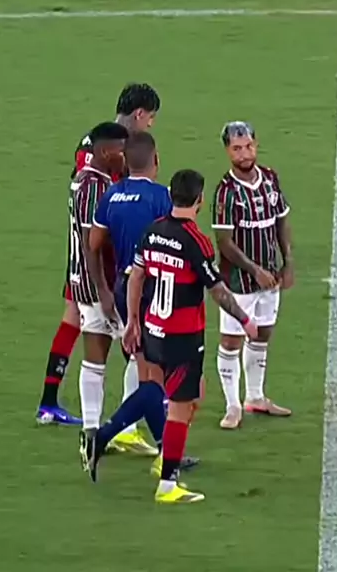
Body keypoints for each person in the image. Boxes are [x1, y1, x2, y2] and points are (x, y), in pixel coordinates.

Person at [83, 169, 257, 504]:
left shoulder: (152, 231)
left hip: (153, 328)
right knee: (181, 407)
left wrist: (133, 321)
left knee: (157, 389)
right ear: (200, 200)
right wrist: (245, 319)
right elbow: (217, 290)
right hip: (183, 336)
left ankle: (102, 437)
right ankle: (167, 482)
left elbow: (136, 277)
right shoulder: (196, 241)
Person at [36, 83, 160, 425]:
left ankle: (51, 401)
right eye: (150, 117)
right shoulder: (112, 151)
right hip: (99, 254)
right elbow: (97, 202)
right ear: (140, 113)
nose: (150, 124)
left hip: (85, 251)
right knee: (125, 330)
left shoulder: (95, 140)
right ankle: (135, 413)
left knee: (76, 317)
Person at [84, 134, 199, 474]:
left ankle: (165, 451)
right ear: (156, 160)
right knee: (155, 381)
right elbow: (177, 240)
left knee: (148, 372)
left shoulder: (111, 195)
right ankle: (105, 437)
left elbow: (94, 243)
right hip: (155, 290)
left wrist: (105, 289)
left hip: (124, 288)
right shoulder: (162, 197)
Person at [211, 121, 294, 430]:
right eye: (237, 149)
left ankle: (255, 397)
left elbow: (281, 222)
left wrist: (288, 262)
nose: (244, 154)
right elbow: (224, 242)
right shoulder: (226, 192)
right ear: (227, 151)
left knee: (262, 335)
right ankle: (232, 405)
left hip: (271, 276)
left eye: (248, 146)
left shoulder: (270, 178)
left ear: (256, 144)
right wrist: (254, 270)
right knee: (231, 340)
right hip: (238, 282)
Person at [65, 122, 128, 438]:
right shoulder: (95, 187)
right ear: (105, 152)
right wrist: (104, 290)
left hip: (87, 281)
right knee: (140, 354)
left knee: (96, 357)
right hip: (99, 284)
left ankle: (91, 431)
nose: (125, 157)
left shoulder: (87, 180)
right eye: (121, 151)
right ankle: (124, 429)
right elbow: (92, 243)